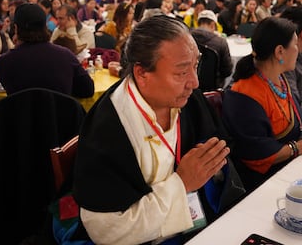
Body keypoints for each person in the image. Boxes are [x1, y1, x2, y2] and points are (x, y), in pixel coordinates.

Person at [73, 15, 244, 244]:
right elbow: (106, 231)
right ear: (142, 73)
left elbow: (219, 153)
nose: (194, 82)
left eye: (196, 66)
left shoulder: (188, 99)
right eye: (181, 72)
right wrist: (182, 183)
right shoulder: (109, 127)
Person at [222, 17, 302, 194]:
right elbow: (256, 154)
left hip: (291, 168)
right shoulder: (244, 93)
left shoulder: (279, 80)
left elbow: (298, 115)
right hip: (262, 184)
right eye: (295, 44)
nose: (298, 50)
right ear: (279, 52)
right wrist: (298, 147)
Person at [0, 3, 94, 97]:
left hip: (21, 114)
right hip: (59, 113)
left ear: (16, 28)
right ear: (45, 26)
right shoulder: (65, 55)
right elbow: (87, 90)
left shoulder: (3, 62)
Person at [191, 10, 232, 88]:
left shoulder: (186, 38)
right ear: (213, 25)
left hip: (188, 84)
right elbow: (227, 71)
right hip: (213, 89)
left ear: (198, 23)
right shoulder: (221, 43)